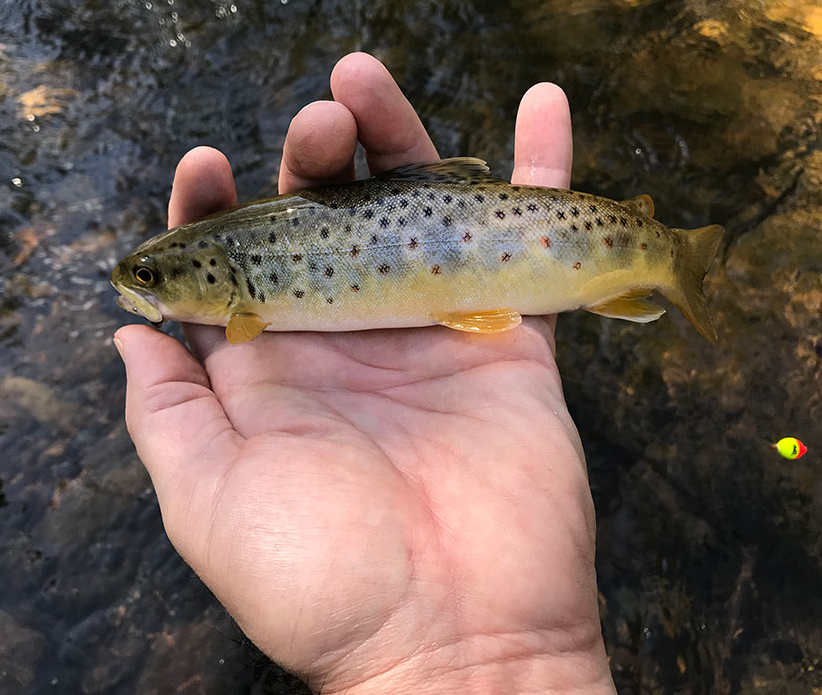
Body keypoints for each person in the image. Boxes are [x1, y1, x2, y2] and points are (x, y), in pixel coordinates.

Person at [114, 53, 617, 694]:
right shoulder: (234, 281)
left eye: (150, 278)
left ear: (214, 273)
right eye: (149, 279)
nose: (141, 286)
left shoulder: (242, 308)